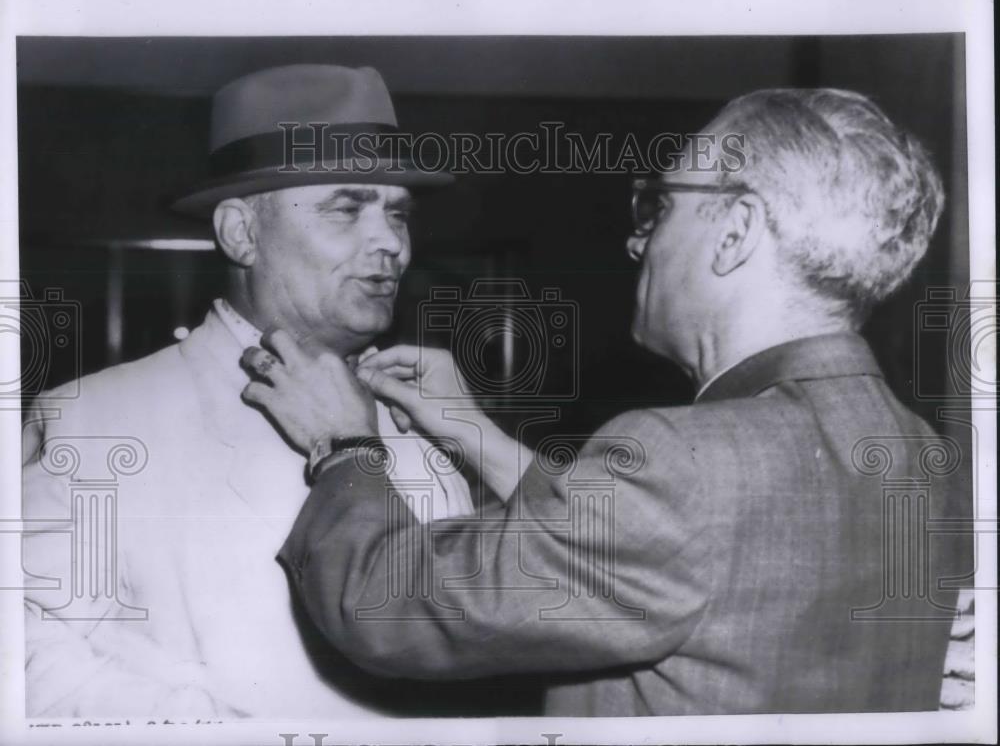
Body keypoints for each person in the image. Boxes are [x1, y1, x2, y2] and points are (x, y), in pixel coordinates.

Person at [242, 88, 968, 715]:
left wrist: (346, 446)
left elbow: (384, 604)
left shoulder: (681, 460)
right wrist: (475, 434)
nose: (636, 240)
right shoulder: (923, 452)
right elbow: (661, 553)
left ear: (736, 230)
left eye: (661, 204)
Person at [21, 64, 472, 718]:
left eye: (397, 214)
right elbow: (27, 660)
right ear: (241, 232)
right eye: (347, 208)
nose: (390, 243)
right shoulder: (94, 417)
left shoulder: (424, 412)